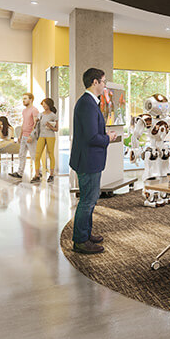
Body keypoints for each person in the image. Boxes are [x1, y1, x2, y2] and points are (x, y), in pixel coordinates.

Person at [69, 68, 117, 254]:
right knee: (87, 201)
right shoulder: (87, 104)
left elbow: (90, 132)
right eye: (103, 81)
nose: (105, 85)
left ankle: (86, 234)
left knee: (90, 199)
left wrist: (104, 134)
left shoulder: (89, 102)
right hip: (88, 160)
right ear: (95, 82)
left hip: (89, 159)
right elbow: (91, 138)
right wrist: (108, 138)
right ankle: (80, 241)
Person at [9, 93, 40, 180]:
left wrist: (31, 136)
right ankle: (20, 173)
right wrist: (20, 135)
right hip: (23, 136)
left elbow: (36, 124)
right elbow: (24, 123)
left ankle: (39, 173)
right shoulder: (24, 111)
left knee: (34, 156)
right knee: (21, 155)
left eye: (25, 99)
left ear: (31, 100)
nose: (23, 100)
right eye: (23, 99)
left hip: (31, 137)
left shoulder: (34, 110)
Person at [32, 98, 58, 183]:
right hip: (41, 136)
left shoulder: (53, 115)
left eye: (45, 104)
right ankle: (37, 175)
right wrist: (36, 122)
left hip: (50, 136)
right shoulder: (40, 115)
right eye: (43, 104)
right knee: (37, 155)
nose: (43, 106)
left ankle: (51, 175)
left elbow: (56, 129)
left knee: (51, 154)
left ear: (49, 105)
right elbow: (35, 127)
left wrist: (50, 126)